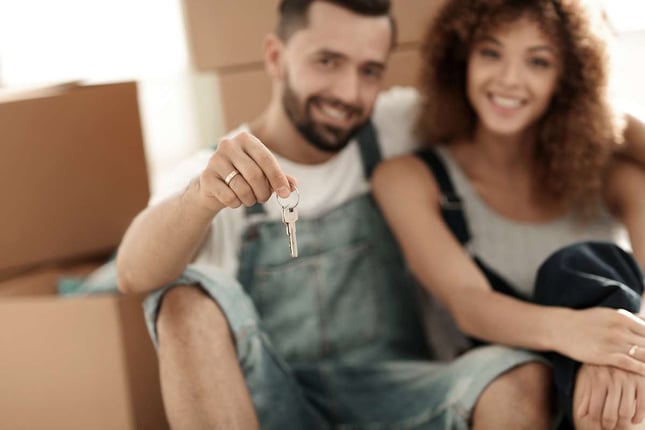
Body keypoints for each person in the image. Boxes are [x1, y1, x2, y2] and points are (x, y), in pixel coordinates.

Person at [114, 0, 565, 428]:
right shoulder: (215, 171)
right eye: (327, 61)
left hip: (404, 397)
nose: (349, 93)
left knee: (520, 376)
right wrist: (202, 199)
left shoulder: (396, 127)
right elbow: (133, 272)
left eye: (369, 71)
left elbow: (559, 112)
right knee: (181, 299)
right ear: (275, 57)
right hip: (274, 403)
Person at [372, 1, 645, 429]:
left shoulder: (614, 178)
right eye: (490, 53)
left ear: (568, 78)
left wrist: (614, 354)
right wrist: (581, 336)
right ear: (462, 58)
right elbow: (469, 304)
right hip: (496, 398)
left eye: (538, 61)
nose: (509, 79)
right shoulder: (408, 178)